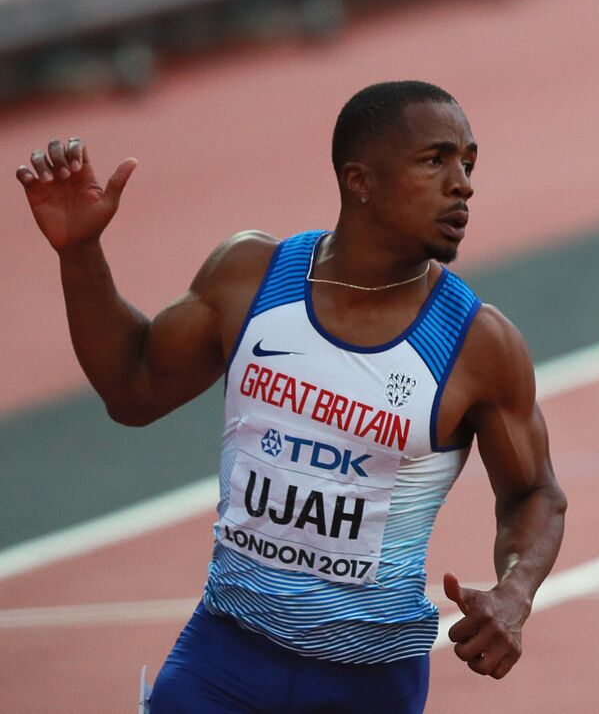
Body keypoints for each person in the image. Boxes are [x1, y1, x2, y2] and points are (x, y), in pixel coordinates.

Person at [16, 80, 567, 713]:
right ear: (360, 180)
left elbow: (535, 494)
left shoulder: (477, 343)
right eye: (435, 159)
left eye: (469, 162)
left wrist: (515, 591)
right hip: (224, 657)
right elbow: (133, 390)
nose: (463, 182)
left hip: (369, 682)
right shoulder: (251, 276)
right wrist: (80, 251)